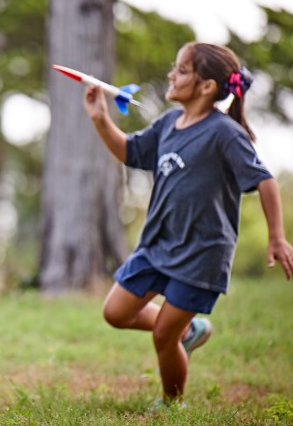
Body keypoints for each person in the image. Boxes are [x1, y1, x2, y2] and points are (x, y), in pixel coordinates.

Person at [82, 42, 293, 408]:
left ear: (206, 86)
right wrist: (101, 118)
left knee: (164, 336)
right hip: (157, 245)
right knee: (115, 312)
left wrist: (277, 237)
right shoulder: (168, 123)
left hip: (202, 254)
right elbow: (131, 152)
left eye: (181, 70)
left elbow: (264, 180)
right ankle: (191, 331)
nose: (171, 75)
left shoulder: (224, 133)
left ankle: (171, 404)